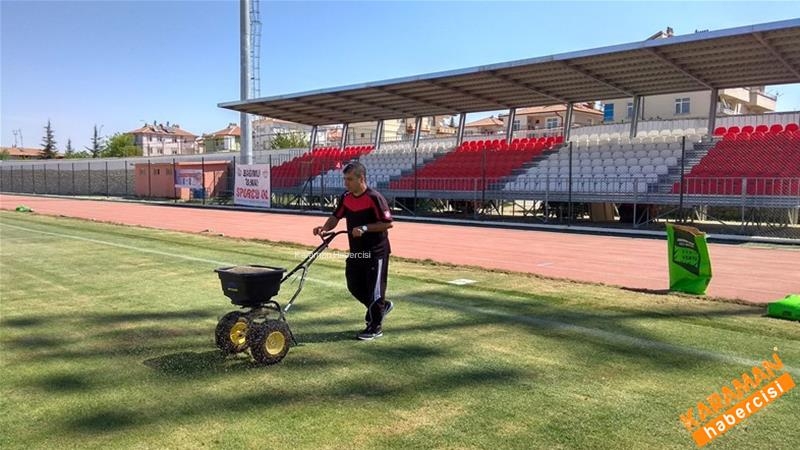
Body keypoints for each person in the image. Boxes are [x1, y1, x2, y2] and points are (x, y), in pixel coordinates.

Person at [313, 161, 394, 340]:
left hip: (376, 252)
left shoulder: (375, 198)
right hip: (357, 251)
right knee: (354, 285)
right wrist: (325, 228)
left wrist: (364, 228)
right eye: (345, 179)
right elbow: (336, 216)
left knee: (375, 290)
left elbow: (387, 223)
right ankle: (381, 307)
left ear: (361, 178)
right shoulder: (346, 197)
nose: (346, 183)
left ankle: (375, 327)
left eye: (349, 179)